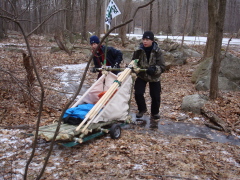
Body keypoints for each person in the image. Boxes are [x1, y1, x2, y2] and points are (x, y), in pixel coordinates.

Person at [132, 31, 165, 119]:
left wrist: (154, 69)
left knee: (155, 95)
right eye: (143, 39)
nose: (145, 42)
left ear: (152, 41)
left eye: (147, 39)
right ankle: (142, 109)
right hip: (142, 75)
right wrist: (135, 68)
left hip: (154, 77)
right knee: (138, 93)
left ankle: (155, 112)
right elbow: (133, 62)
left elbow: (162, 67)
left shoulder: (158, 51)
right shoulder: (138, 50)